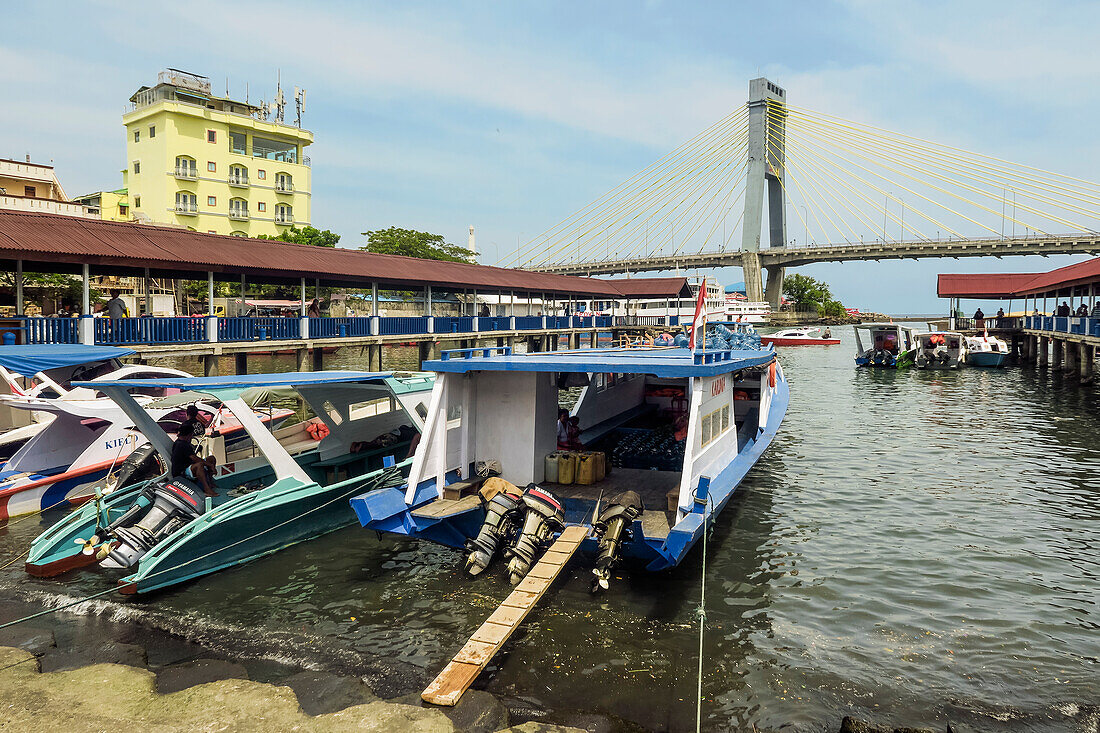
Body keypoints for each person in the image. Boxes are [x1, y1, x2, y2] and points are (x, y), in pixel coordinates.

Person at [170, 422, 217, 497]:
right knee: (199, 465)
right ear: (189, 435)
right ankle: (207, 489)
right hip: (181, 472)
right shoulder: (181, 445)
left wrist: (210, 464)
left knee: (211, 458)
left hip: (189, 466)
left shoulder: (183, 442)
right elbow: (194, 458)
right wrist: (210, 465)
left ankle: (210, 483)